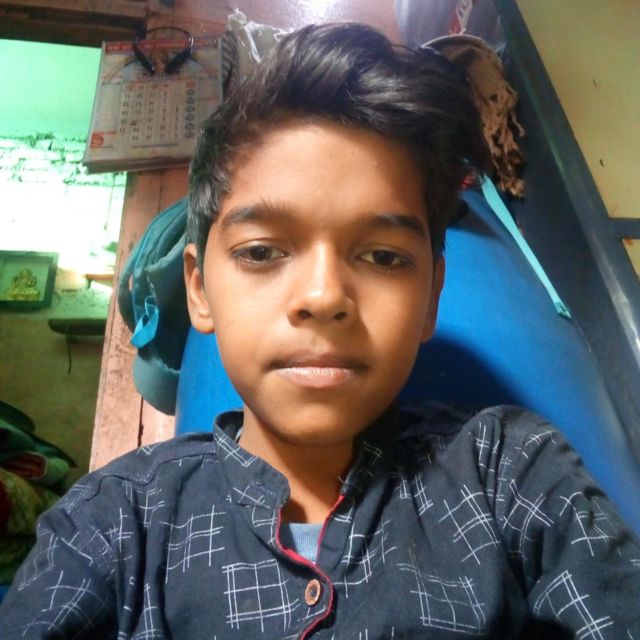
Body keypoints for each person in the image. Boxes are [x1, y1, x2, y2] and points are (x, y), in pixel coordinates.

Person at [1, 23, 638, 639]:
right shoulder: (114, 520)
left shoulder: (509, 471)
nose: (324, 296)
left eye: (383, 256)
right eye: (261, 252)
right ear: (199, 289)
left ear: (430, 298)